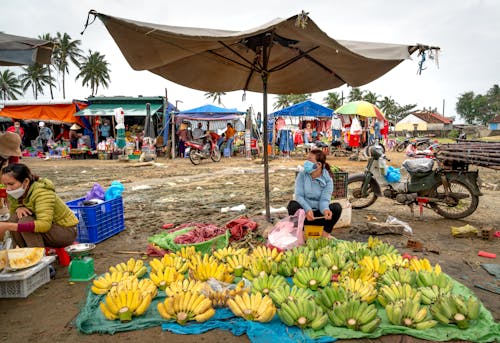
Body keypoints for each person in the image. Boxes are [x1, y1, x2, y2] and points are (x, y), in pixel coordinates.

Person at [0, 163, 78, 247]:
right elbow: (13, 216)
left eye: (11, 184)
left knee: (24, 221)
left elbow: (44, 225)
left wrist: (8, 226)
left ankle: (38, 256)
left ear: (26, 181)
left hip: (64, 232)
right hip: (47, 230)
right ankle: (23, 252)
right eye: (5, 185)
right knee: (14, 218)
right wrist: (19, 207)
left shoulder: (42, 192)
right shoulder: (14, 193)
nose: (8, 188)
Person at [287, 149, 342, 238]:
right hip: (305, 216)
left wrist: (325, 210)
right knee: (292, 205)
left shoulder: (328, 180)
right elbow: (299, 196)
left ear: (318, 165)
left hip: (319, 217)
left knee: (336, 208)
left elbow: (324, 200)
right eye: (307, 159)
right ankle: (302, 233)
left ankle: (325, 233)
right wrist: (307, 210)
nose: (306, 162)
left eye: (309, 160)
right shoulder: (302, 175)